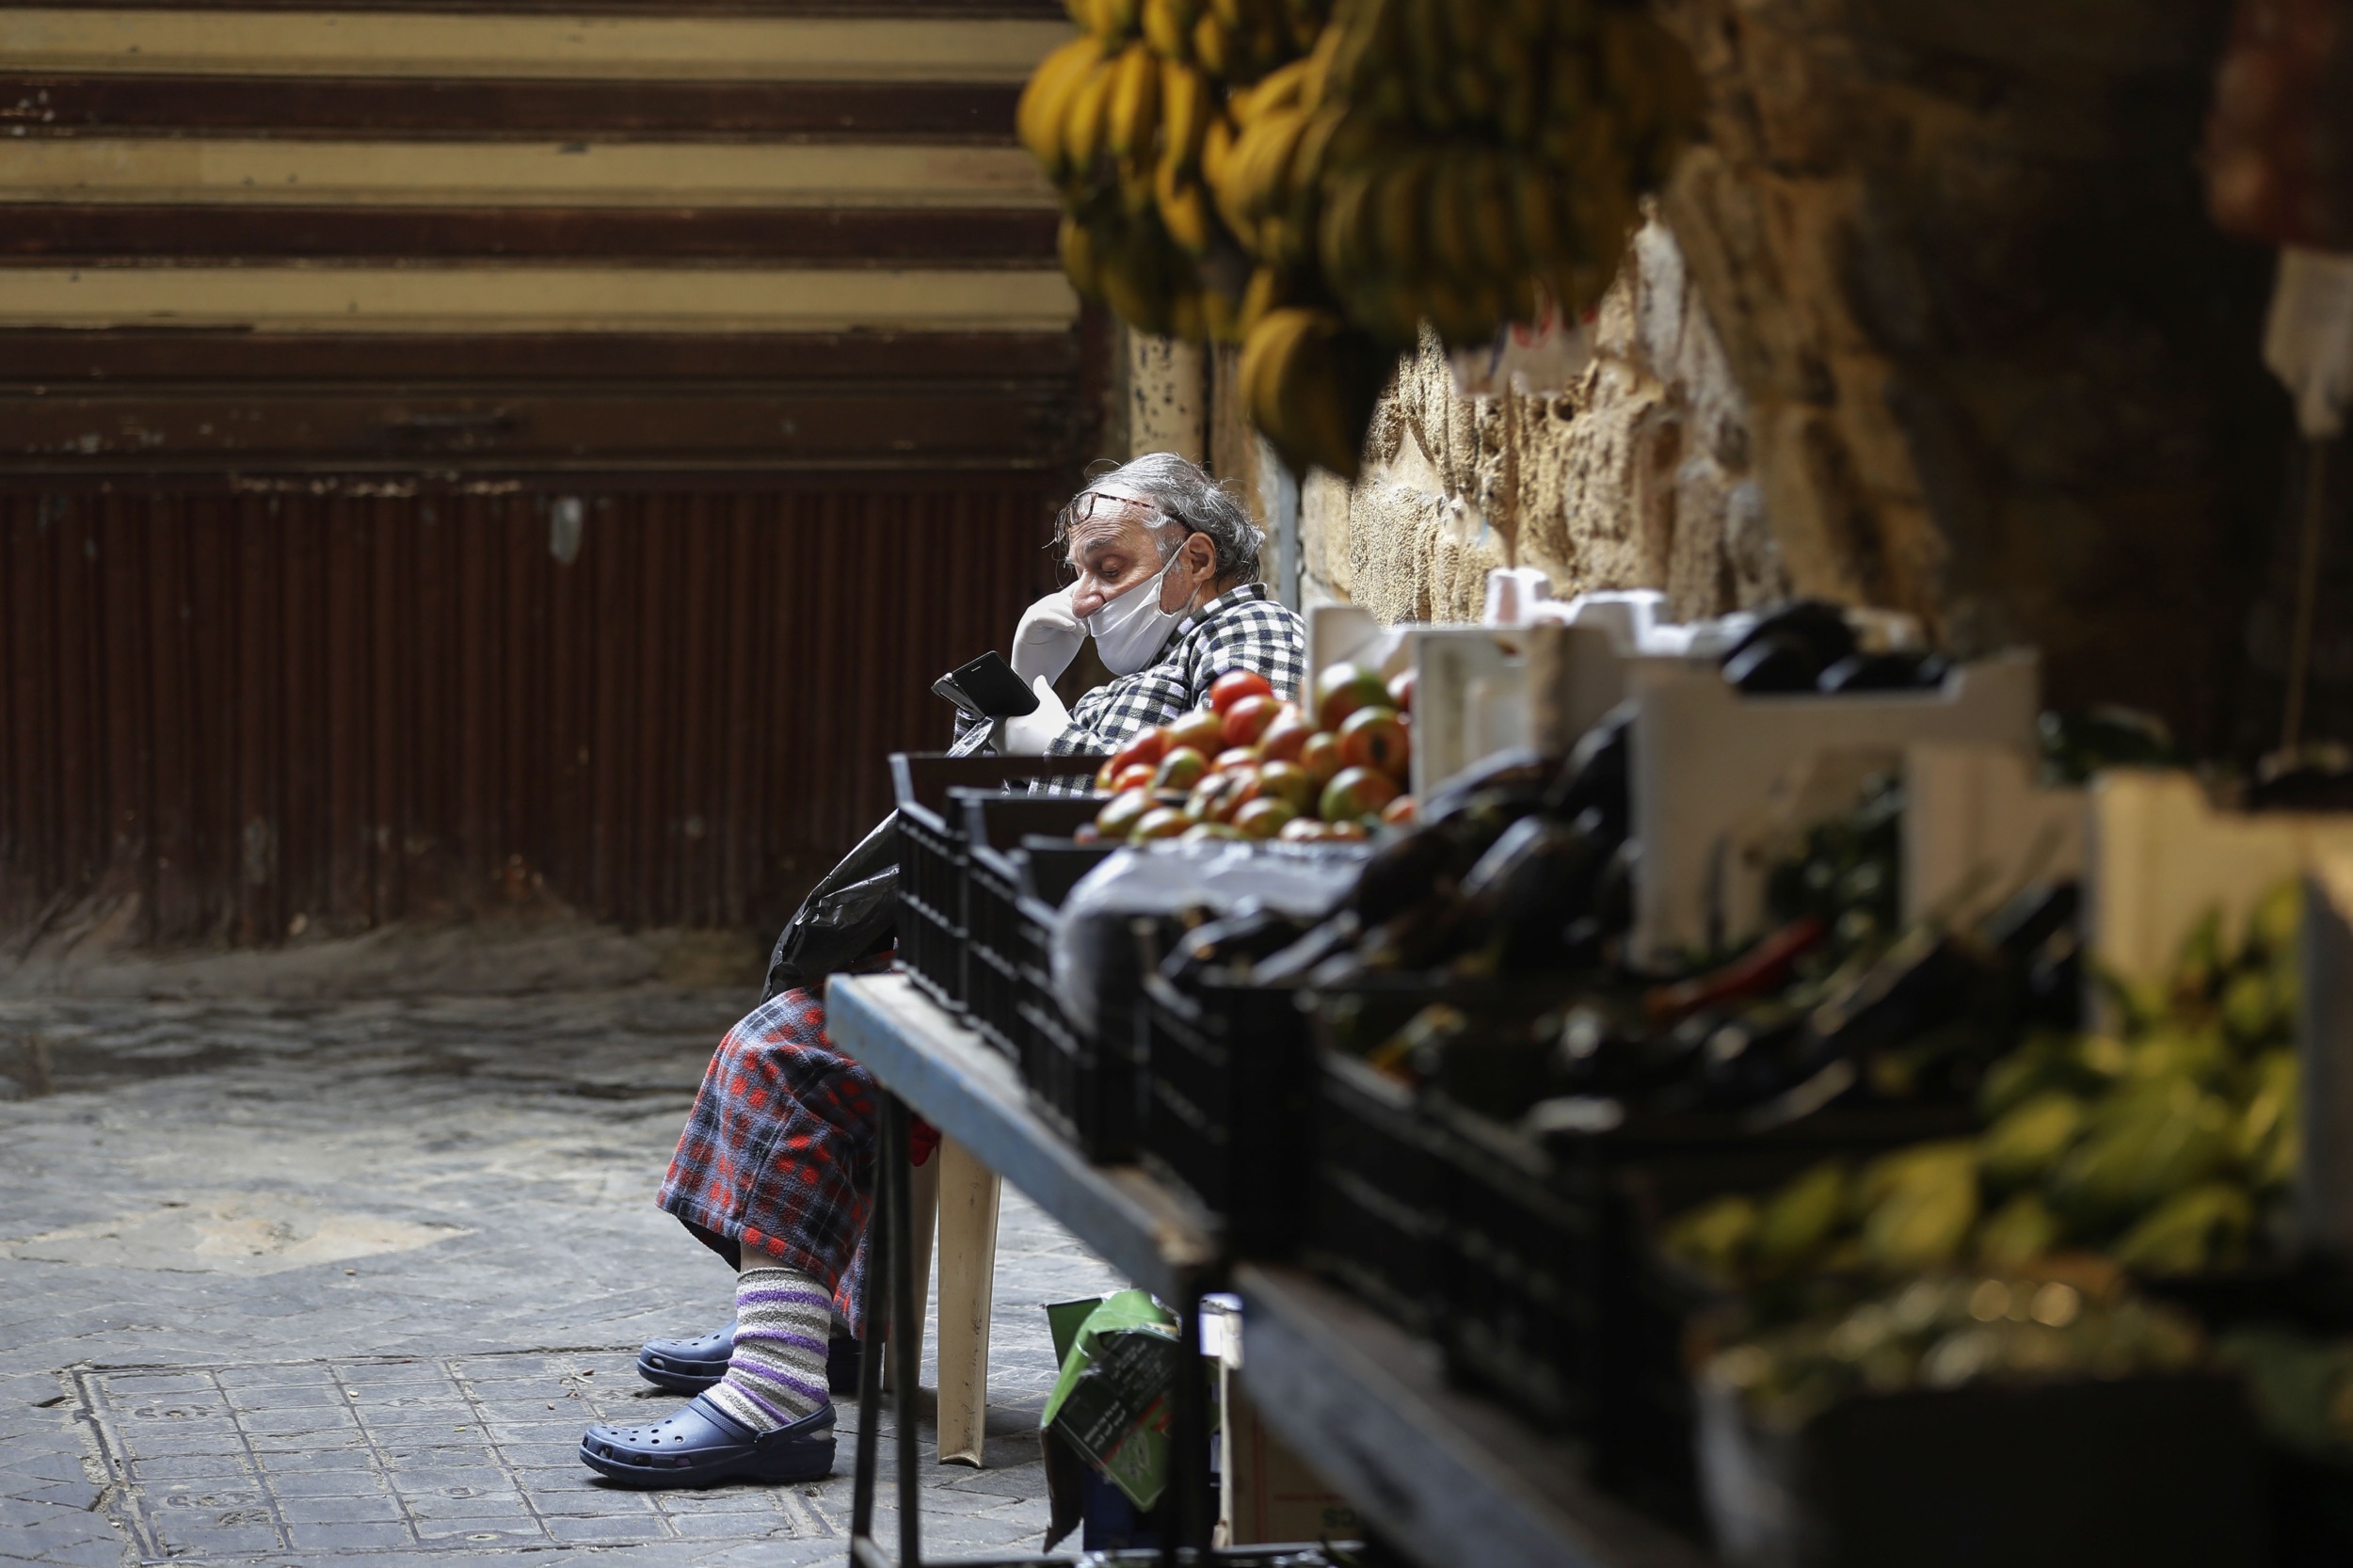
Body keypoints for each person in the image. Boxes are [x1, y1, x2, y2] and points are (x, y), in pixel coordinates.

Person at [577, 453, 1305, 1488]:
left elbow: (1233, 796)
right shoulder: (1141, 671)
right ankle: (808, 1328)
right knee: (800, 1019)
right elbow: (978, 800)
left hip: (1114, 995)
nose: (1088, 595)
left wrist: (1055, 744)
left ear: (1195, 557)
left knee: (786, 1047)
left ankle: (778, 1389)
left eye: (1111, 566)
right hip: (1028, 959)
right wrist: (1027, 688)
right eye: (1079, 571)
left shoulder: (1247, 630)